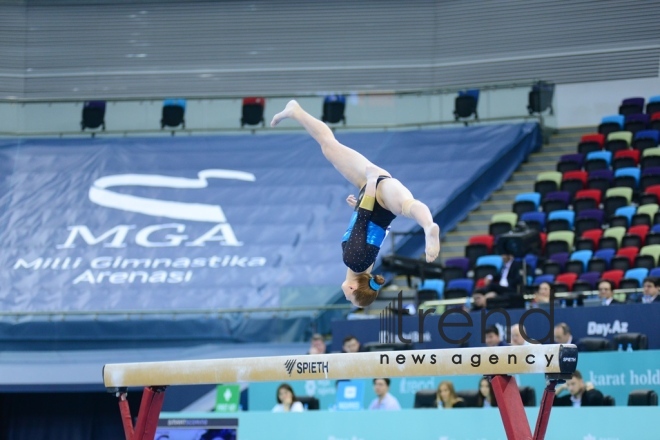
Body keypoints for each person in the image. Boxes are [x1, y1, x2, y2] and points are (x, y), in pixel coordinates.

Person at [271, 100, 440, 307]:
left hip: (381, 204)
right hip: (376, 193)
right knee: (407, 205)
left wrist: (358, 204)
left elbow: (376, 229)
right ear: (352, 288)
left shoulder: (366, 268)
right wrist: (370, 183)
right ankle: (428, 228)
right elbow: (362, 220)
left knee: (330, 146)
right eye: (349, 298)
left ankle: (296, 111)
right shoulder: (354, 261)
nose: (346, 296)